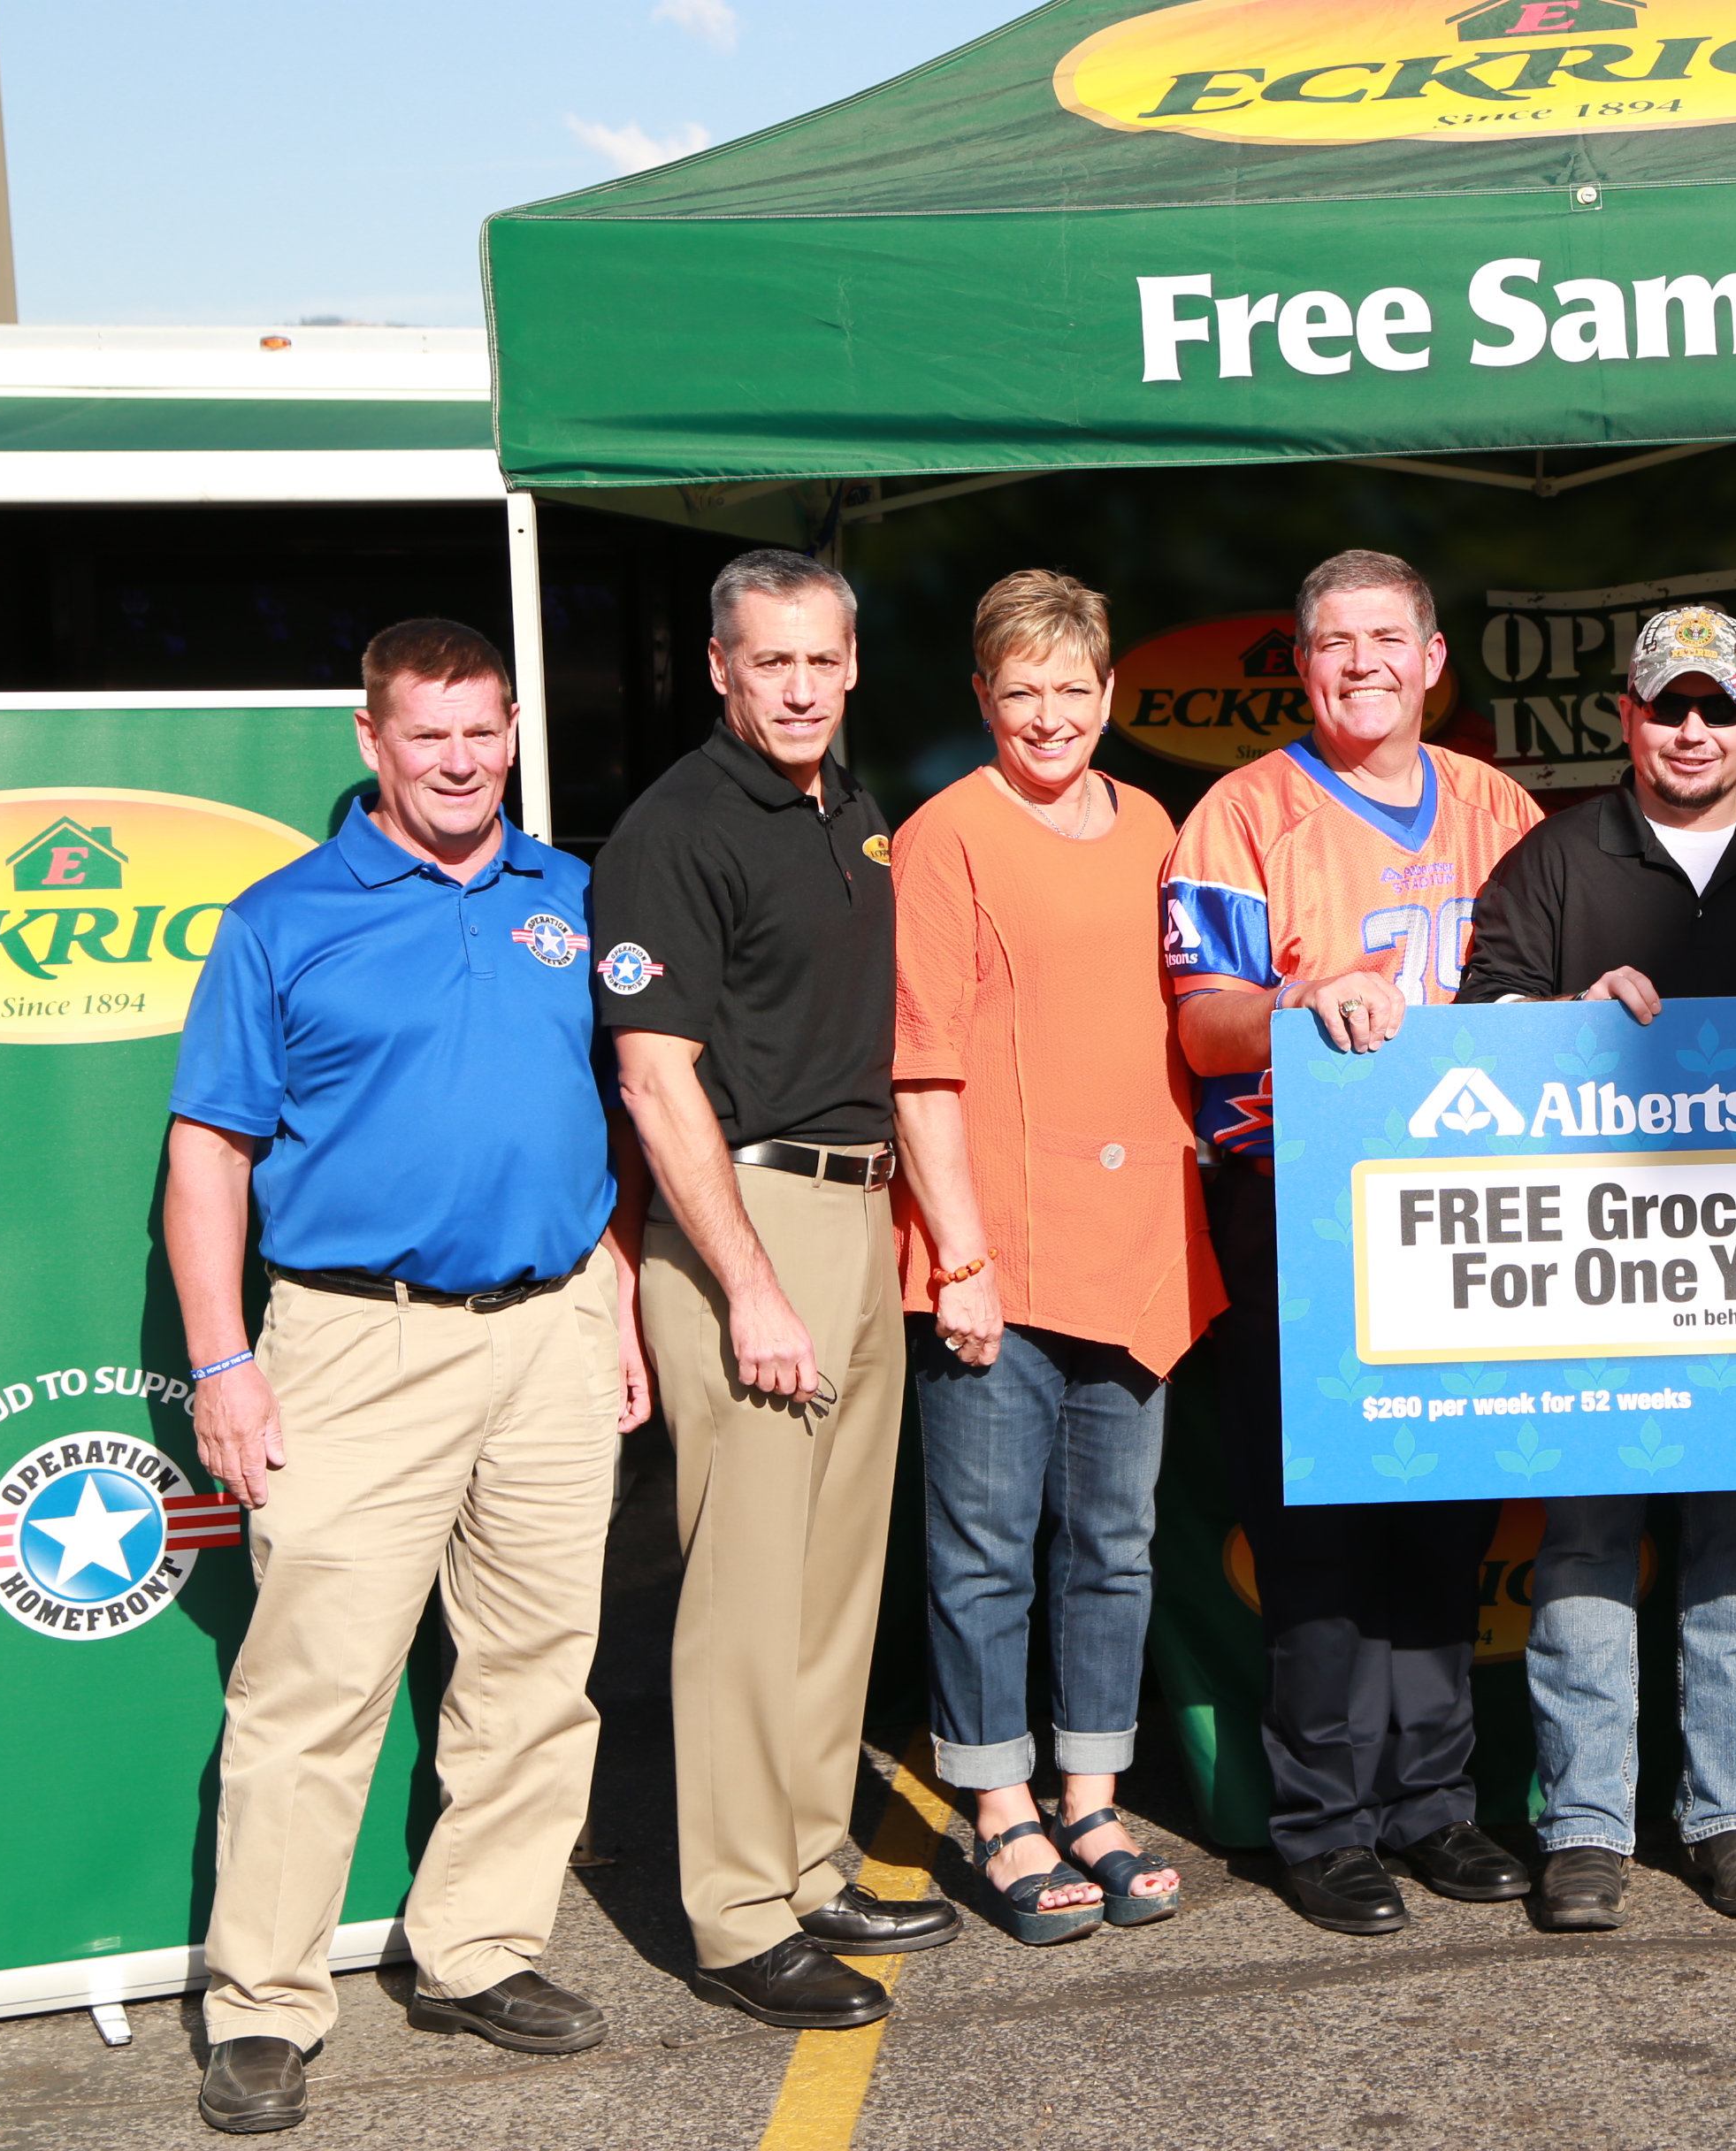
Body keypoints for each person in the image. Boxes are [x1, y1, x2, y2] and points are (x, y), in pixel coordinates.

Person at [169, 619, 648, 2135]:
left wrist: (619, 1295)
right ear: (372, 742)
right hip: (350, 1342)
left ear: (515, 732)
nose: (462, 760)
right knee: (312, 1689)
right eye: (429, 734)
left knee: (533, 1671)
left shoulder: (573, 898)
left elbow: (626, 1112)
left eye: (485, 730)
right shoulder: (282, 920)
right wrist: (222, 1364)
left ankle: (480, 1949)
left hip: (557, 1331)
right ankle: (263, 2003)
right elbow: (208, 1156)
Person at [599, 549, 958, 2031]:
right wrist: (745, 1283)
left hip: (856, 1216)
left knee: (829, 1585)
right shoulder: (673, 829)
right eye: (772, 664)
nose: (800, 687)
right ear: (720, 668)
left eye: (823, 661)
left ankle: (811, 1861)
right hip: (751, 1221)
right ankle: (738, 1912)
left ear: (853, 665)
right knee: (746, 1592)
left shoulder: (853, 815)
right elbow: (655, 1072)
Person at [1163, 547, 1545, 1935]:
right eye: (1335, 641)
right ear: (1305, 664)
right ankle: (1322, 1823)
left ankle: (1436, 1807)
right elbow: (1197, 1025)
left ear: (1435, 659)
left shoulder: (1499, 805)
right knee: (1318, 1521)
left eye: (1389, 637)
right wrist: (1301, 993)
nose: (1364, 662)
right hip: (1300, 1201)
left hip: (1462, 1205)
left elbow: (1544, 992)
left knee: (1443, 1516)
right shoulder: (1244, 812)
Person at [1457, 605, 1736, 1933]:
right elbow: (1482, 1013)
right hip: (1594, 1271)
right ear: (1623, 715)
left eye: (1716, 709)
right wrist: (1557, 1022)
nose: (1690, 731)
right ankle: (1584, 1827)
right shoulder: (1555, 857)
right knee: (1584, 1546)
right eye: (1665, 706)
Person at [891, 570, 1223, 1945]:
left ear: (1106, 696)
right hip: (1001, 1253)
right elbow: (920, 1063)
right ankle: (999, 1807)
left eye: (1069, 689)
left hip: (1136, 1234)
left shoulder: (1151, 822)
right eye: (1017, 690)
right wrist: (959, 1255)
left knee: (1115, 1545)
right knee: (981, 1552)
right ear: (983, 697)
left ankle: (1092, 1793)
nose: (1046, 715)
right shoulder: (944, 834)